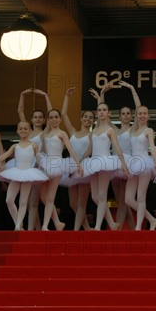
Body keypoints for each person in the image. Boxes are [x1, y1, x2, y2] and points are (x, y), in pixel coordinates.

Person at [81, 102, 128, 231]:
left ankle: (97, 226)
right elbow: (90, 149)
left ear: (109, 113)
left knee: (102, 195)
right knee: (95, 197)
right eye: (99, 110)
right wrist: (80, 162)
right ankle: (112, 224)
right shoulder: (93, 131)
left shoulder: (110, 130)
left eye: (104, 110)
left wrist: (122, 163)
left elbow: (116, 146)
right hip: (93, 162)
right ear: (97, 113)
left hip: (105, 162)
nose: (101, 112)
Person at [0, 122, 48, 230]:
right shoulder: (15, 146)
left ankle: (18, 225)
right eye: (21, 129)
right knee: (9, 200)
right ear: (17, 131)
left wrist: (45, 164)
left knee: (23, 202)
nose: (23, 130)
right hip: (16, 172)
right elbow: (5, 155)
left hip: (28, 173)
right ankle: (18, 223)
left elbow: (38, 157)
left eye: (25, 128)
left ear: (30, 131)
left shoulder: (33, 145)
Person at [38, 109, 83, 230]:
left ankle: (45, 226)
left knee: (50, 197)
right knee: (43, 196)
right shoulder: (45, 134)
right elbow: (41, 151)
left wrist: (78, 163)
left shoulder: (62, 133)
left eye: (56, 117)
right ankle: (57, 223)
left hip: (58, 164)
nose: (54, 119)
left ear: (60, 119)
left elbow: (70, 149)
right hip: (46, 164)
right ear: (48, 120)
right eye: (51, 117)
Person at [17, 88, 52, 230]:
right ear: (31, 120)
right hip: (26, 167)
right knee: (26, 199)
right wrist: (22, 95)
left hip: (38, 167)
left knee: (33, 201)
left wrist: (45, 96)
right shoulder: (27, 131)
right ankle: (35, 228)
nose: (37, 119)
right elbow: (20, 111)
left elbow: (51, 114)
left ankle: (31, 230)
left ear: (44, 120)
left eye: (40, 117)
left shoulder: (45, 132)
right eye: (35, 117)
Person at [61, 87, 95, 231]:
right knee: (72, 203)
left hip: (84, 167)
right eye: (85, 117)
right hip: (70, 165)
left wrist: (79, 164)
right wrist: (67, 96)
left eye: (90, 118)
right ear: (81, 118)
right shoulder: (73, 132)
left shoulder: (92, 135)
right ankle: (87, 228)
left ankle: (76, 231)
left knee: (82, 202)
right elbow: (63, 114)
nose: (87, 119)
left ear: (93, 122)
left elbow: (89, 150)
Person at [124, 104, 156, 230]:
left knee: (140, 196)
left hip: (145, 163)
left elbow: (152, 146)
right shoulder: (133, 131)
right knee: (128, 199)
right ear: (136, 116)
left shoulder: (148, 130)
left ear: (148, 115)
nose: (142, 115)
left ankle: (138, 226)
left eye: (145, 113)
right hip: (133, 163)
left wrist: (155, 161)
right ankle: (152, 219)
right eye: (140, 113)